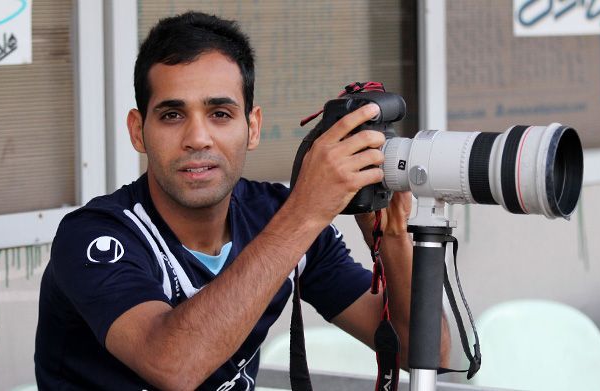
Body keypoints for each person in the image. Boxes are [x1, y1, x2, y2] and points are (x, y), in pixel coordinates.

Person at [34, 11, 449, 390]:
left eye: (220, 114)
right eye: (172, 115)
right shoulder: (94, 235)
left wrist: (392, 236)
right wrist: (306, 210)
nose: (197, 138)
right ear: (138, 130)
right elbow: (173, 365)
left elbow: (424, 354)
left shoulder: (276, 215)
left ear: (253, 128)